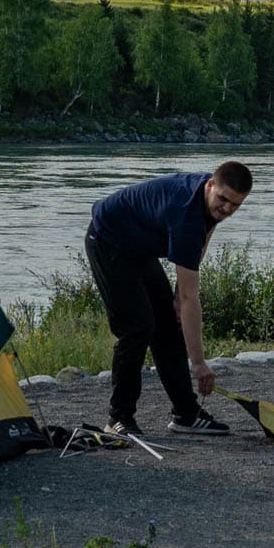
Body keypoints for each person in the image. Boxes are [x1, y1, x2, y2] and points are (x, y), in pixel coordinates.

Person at [84, 162, 253, 438]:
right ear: (210, 185)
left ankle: (186, 414)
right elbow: (190, 299)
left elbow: (205, 234)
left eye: (235, 205)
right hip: (108, 240)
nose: (226, 209)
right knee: (137, 329)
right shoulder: (186, 215)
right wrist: (198, 363)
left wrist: (176, 294)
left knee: (167, 326)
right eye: (223, 199)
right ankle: (118, 419)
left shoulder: (206, 203)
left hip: (139, 247)